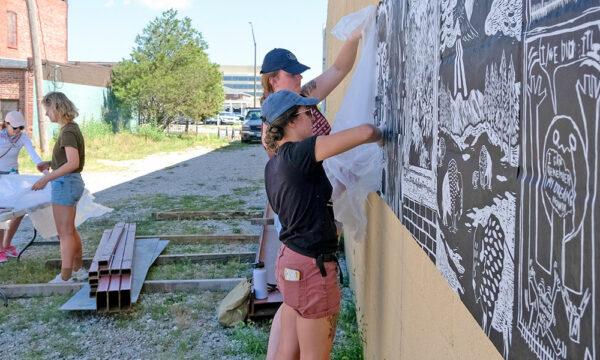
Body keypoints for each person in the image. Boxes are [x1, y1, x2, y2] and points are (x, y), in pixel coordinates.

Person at [260, 30, 364, 359]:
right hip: (301, 217)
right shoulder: (276, 118)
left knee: (293, 305)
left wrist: (355, 34)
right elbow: (295, 169)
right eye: (293, 73)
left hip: (305, 218)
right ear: (274, 80)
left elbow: (338, 70)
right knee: (301, 300)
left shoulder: (300, 99)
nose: (301, 77)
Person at [31, 92, 87, 283]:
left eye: (47, 110)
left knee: (64, 233)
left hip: (66, 183)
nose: (46, 114)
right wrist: (51, 163)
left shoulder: (68, 132)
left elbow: (73, 162)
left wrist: (46, 179)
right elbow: (68, 160)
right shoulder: (70, 129)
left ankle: (65, 277)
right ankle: (78, 270)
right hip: (70, 182)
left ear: (56, 107)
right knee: (69, 230)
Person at [0, 111, 43, 262]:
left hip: (13, 177)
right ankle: (0, 250)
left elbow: (33, 155)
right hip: (0, 178)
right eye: (15, 127)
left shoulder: (22, 137)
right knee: (1, 214)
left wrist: (45, 171)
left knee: (19, 211)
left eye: (21, 127)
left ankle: (6, 245)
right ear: (6, 124)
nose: (18, 130)